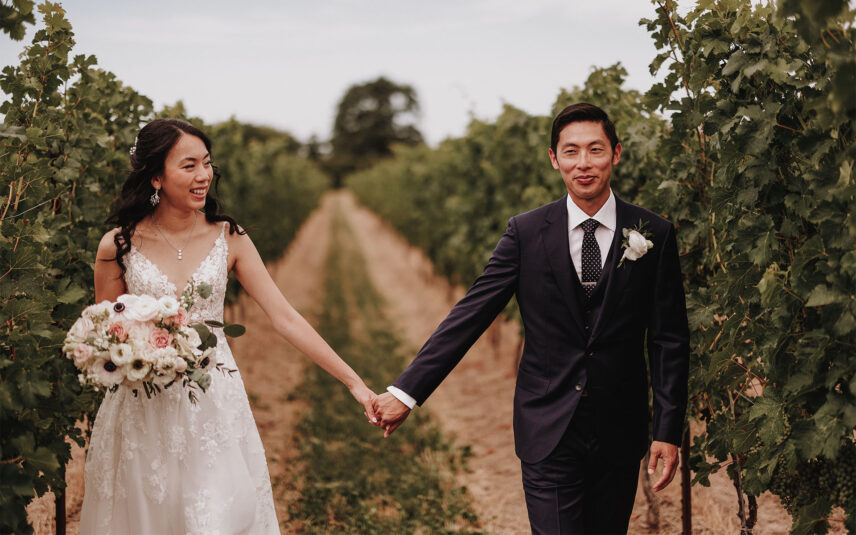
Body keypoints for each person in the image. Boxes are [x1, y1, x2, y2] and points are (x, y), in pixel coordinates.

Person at [373, 103, 690, 534]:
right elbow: (471, 314)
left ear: (616, 154)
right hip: (548, 427)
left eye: (595, 150)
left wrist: (667, 429)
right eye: (571, 151)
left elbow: (669, 339)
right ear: (553, 158)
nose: (583, 163)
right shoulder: (525, 233)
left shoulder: (654, 231)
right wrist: (406, 392)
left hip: (620, 429)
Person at [80, 118, 378, 534]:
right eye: (189, 166)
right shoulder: (118, 245)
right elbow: (105, 332)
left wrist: (354, 383)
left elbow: (285, 317)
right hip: (142, 410)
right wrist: (140, 352)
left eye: (207, 163)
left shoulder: (229, 238)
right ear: (155, 177)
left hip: (213, 403)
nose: (203, 175)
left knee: (217, 516)